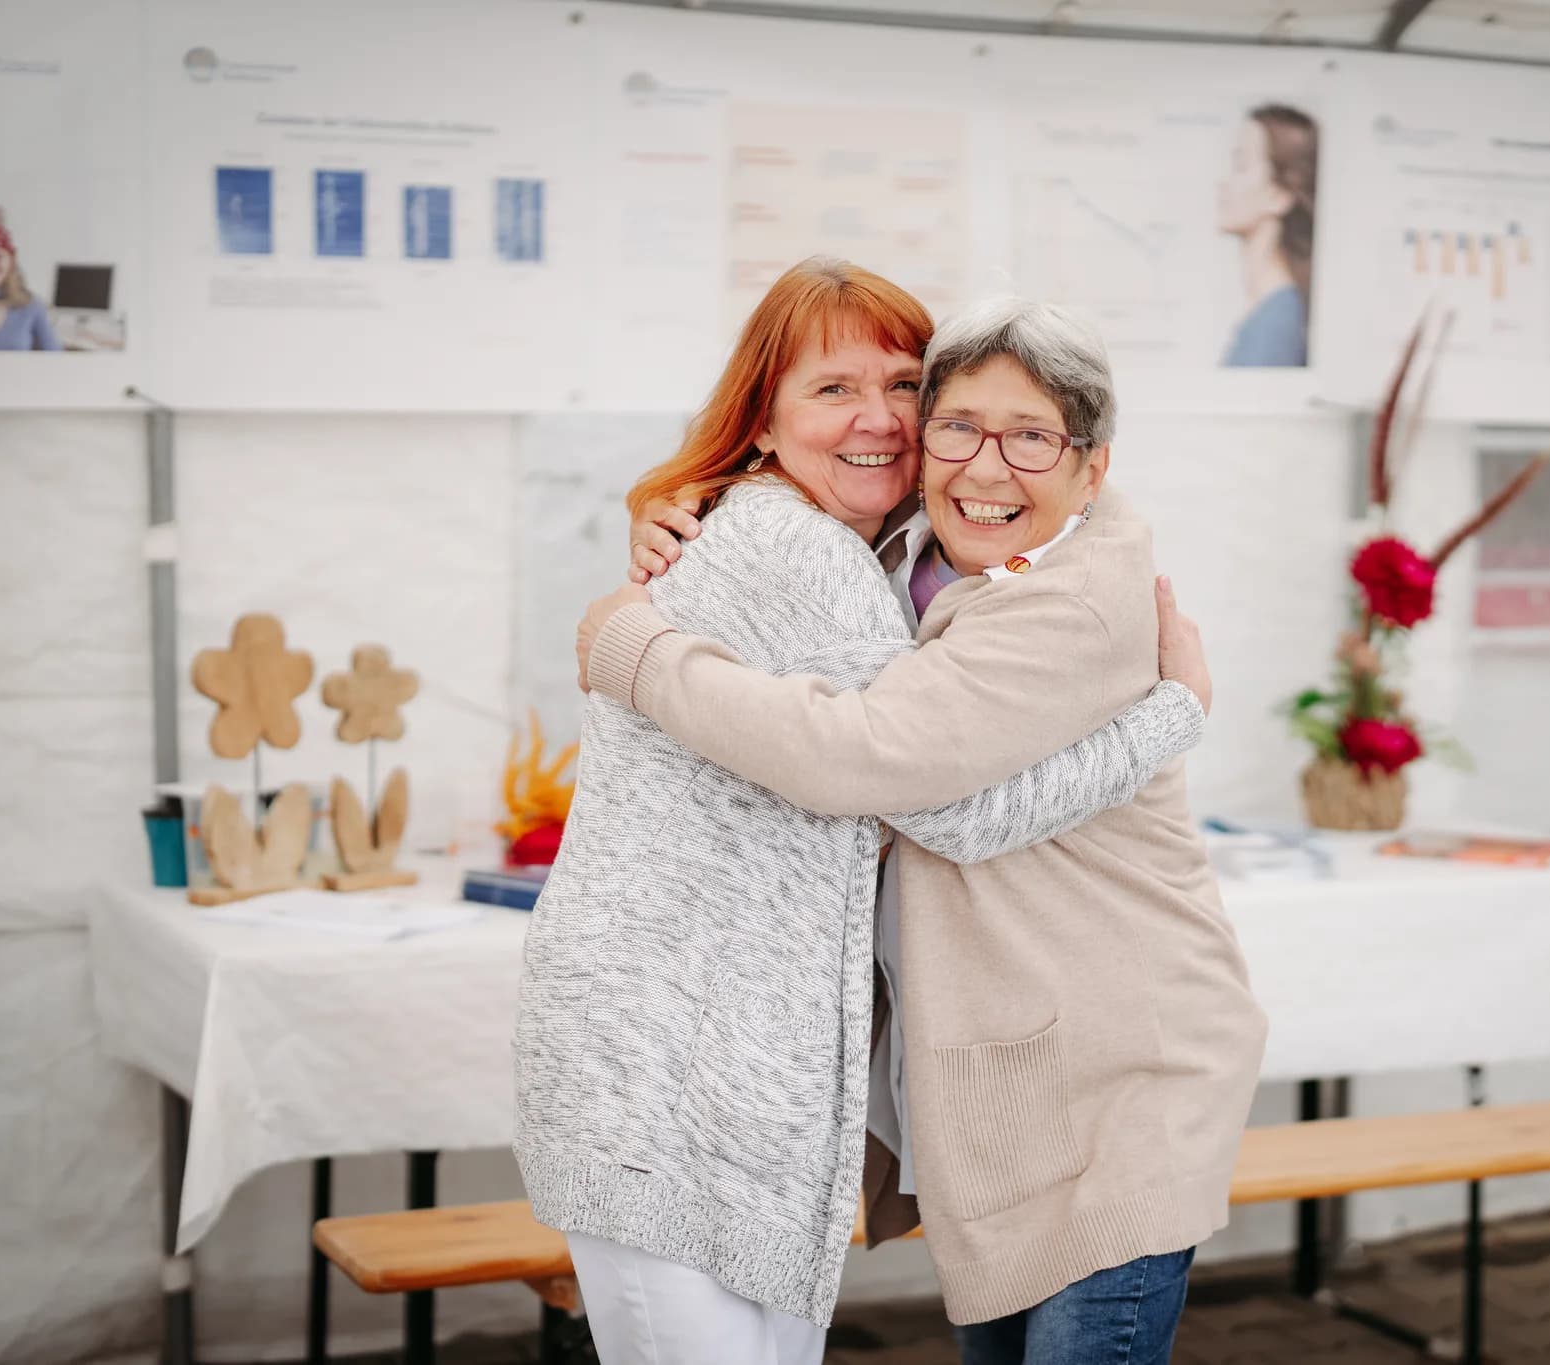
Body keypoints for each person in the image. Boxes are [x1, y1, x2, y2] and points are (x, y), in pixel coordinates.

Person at [515, 260, 1211, 1365]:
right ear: (763, 417)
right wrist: (1167, 716)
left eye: (900, 386)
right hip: (668, 1062)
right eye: (832, 390)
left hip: (724, 1063)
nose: (880, 419)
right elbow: (933, 804)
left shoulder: (873, 551)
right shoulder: (799, 551)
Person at [1215, 102, 1316, 368]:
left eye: (1240, 165)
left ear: (1279, 195)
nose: (1223, 182)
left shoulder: (1276, 324)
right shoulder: (1272, 314)